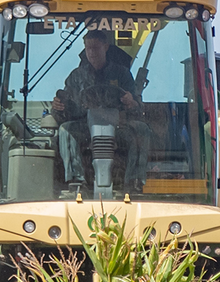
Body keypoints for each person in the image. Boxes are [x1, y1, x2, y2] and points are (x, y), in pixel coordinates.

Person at [51, 29, 150, 195]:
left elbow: (138, 107)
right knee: (65, 130)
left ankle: (134, 181)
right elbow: (65, 110)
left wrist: (131, 102)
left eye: (95, 48)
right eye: (88, 48)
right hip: (85, 127)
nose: (91, 52)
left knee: (141, 130)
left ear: (105, 47)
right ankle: (76, 180)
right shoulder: (76, 77)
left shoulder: (122, 74)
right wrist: (58, 107)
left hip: (119, 126)